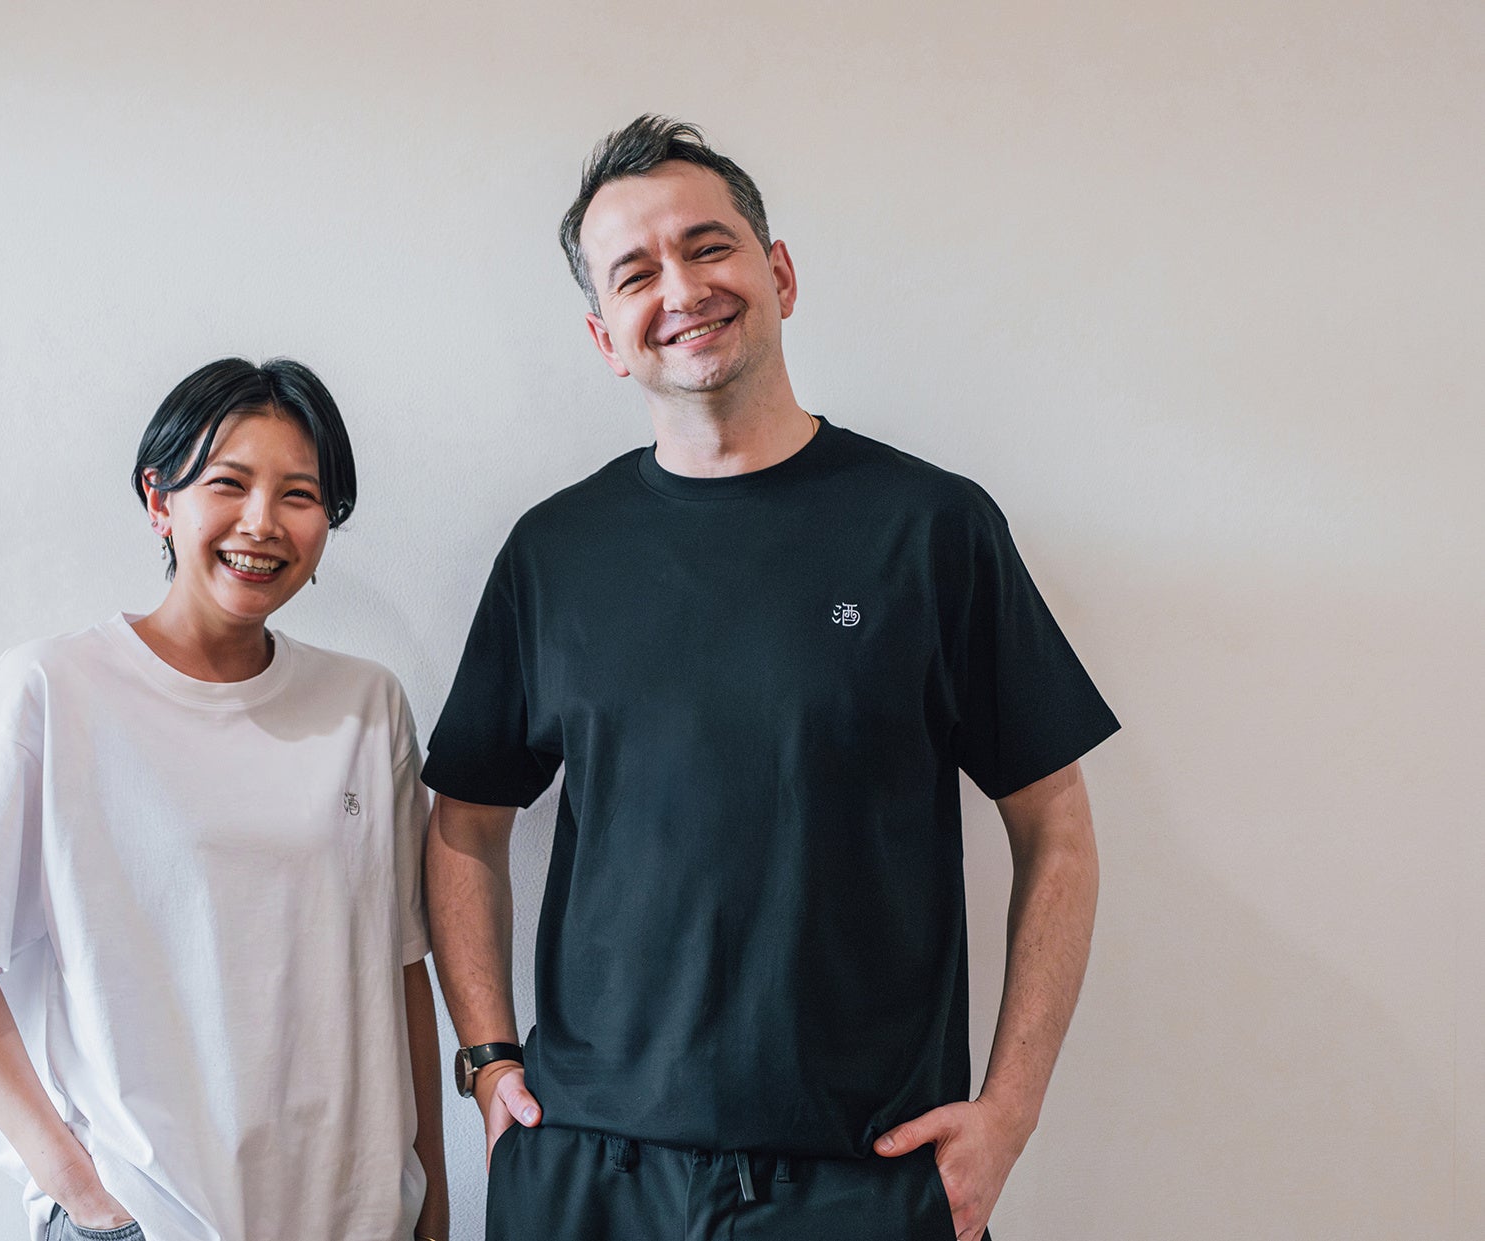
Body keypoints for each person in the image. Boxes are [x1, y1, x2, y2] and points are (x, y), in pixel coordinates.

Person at [422, 117, 1119, 1241]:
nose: (682, 289)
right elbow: (464, 819)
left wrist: (1011, 1112)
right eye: (636, 273)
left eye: (709, 247)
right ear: (606, 337)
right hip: (591, 1168)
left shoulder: (931, 528)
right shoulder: (554, 552)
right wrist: (488, 1059)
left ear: (778, 273)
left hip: (864, 1173)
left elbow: (1057, 829)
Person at [0, 358, 448, 1241]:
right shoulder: (51, 689)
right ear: (159, 499)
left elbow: (400, 967)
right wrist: (82, 1195)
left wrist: (432, 1199)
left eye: (300, 494)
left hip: (357, 1219)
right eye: (228, 483)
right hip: (151, 1219)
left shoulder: (366, 705)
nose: (262, 522)